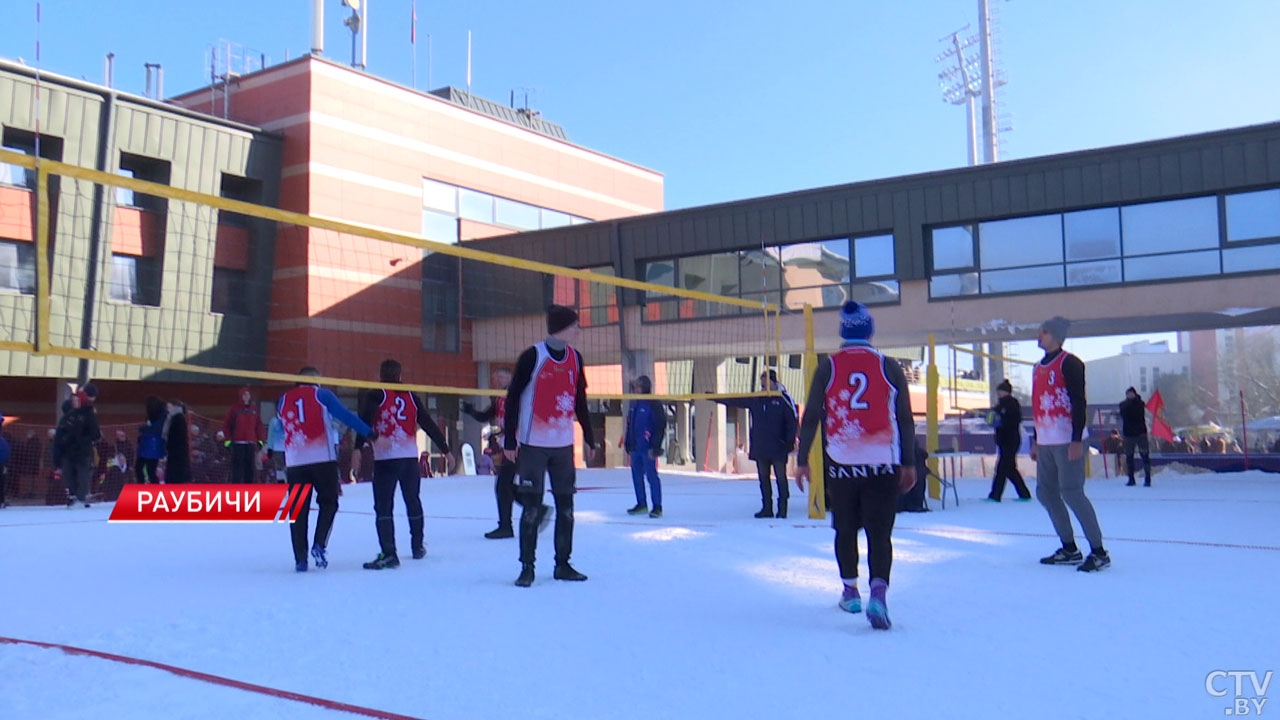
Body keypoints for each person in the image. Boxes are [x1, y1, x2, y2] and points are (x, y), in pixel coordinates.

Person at [796, 301, 916, 630]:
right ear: (870, 330)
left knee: (845, 528)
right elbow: (904, 419)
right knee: (880, 532)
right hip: (882, 461)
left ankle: (850, 591)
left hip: (843, 461)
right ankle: (879, 594)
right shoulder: (889, 366)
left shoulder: (829, 367)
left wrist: (803, 458)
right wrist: (909, 462)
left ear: (842, 331)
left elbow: (813, 417)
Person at [504, 305, 598, 587]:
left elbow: (579, 400)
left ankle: (563, 564)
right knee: (531, 508)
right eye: (575, 326)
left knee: (566, 507)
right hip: (533, 444)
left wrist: (589, 437)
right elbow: (511, 400)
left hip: (563, 446)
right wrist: (510, 439)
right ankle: (527, 567)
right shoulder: (533, 356)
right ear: (561, 328)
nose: (579, 330)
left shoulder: (575, 358)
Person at [270, 367, 374, 572]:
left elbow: (280, 428)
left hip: (295, 463)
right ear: (315, 380)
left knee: (298, 510)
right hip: (322, 460)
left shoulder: (283, 400)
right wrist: (370, 433)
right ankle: (319, 543)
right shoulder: (322, 395)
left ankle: (300, 559)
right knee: (329, 503)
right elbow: (345, 416)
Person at [357, 358, 453, 570]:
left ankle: (390, 553)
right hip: (409, 459)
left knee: (383, 506)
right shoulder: (411, 396)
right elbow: (427, 423)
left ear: (380, 375)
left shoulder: (376, 393)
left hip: (386, 458)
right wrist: (445, 450)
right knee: (413, 500)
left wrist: (358, 447)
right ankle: (417, 545)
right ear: (400, 376)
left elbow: (364, 421)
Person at [1031, 316, 1109, 572]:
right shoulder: (1037, 367)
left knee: (1072, 493)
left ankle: (1098, 552)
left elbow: (1079, 402)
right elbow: (1038, 405)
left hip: (1067, 440)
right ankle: (1069, 547)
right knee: (1046, 492)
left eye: (1043, 332)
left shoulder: (1070, 363)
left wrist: (1076, 440)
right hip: (1046, 442)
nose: (1039, 335)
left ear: (1056, 335)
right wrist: (1035, 439)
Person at [715, 369, 798, 518]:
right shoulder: (757, 398)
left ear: (773, 382)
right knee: (763, 479)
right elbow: (736, 400)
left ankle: (782, 508)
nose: (763, 383)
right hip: (761, 447)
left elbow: (792, 421)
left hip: (778, 447)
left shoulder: (783, 398)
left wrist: (789, 442)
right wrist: (715, 398)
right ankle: (767, 508)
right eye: (762, 380)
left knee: (781, 478)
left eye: (766, 380)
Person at [462, 367, 518, 539]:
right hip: (508, 445)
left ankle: (507, 525)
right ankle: (534, 508)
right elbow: (486, 415)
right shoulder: (499, 397)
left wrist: (511, 438)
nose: (499, 380)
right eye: (497, 377)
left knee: (503, 485)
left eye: (502, 376)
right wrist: (471, 411)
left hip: (518, 444)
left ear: (510, 377)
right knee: (506, 485)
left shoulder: (517, 394)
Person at [623, 375, 666, 518]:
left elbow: (660, 425)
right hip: (636, 447)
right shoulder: (634, 403)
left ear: (643, 388)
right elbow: (630, 424)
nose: (635, 388)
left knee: (652, 476)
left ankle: (657, 507)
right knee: (636, 476)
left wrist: (655, 445)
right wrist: (628, 441)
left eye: (637, 386)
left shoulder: (653, 403)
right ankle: (641, 504)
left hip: (648, 448)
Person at [55, 388, 101, 507]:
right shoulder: (69, 415)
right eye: (73, 400)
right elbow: (63, 431)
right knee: (68, 474)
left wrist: (82, 440)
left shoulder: (89, 415)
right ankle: (73, 496)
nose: (74, 402)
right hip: (69, 451)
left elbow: (95, 434)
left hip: (83, 451)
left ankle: (81, 498)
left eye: (76, 400)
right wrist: (65, 440)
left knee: (82, 475)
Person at [987, 379, 1031, 501]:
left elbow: (1014, 420)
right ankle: (1024, 494)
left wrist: (1002, 418)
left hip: (1010, 441)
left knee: (1002, 468)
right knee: (1009, 469)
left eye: (1000, 391)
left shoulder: (1012, 404)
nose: (999, 394)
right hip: (1004, 441)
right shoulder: (999, 405)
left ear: (1005, 392)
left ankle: (995, 495)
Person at [222, 387, 266, 484]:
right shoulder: (234, 409)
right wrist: (228, 440)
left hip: (250, 443)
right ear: (241, 396)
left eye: (248, 395)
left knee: (250, 467)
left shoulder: (254, 410)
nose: (246, 397)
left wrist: (260, 440)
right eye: (244, 395)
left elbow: (259, 426)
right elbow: (227, 425)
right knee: (237, 467)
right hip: (238, 443)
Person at [1118, 387, 1152, 487]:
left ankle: (1148, 478)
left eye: (1131, 394)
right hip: (1128, 434)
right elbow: (1124, 414)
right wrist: (1128, 405)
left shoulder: (1140, 404)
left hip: (1140, 433)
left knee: (1145, 456)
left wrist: (1132, 404)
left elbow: (1137, 414)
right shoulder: (1123, 404)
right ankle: (1131, 479)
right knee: (1129, 457)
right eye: (1128, 394)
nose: (1129, 395)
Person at [136, 396, 167, 484]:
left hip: (153, 445)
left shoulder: (162, 415)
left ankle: (153, 490)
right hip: (148, 445)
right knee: (143, 468)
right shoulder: (157, 415)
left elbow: (156, 428)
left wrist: (143, 428)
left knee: (149, 470)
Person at [162, 400, 191, 484]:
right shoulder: (173, 418)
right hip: (175, 451)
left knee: (176, 473)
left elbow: (176, 435)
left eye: (169, 407)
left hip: (177, 451)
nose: (167, 409)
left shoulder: (178, 418)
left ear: (175, 407)